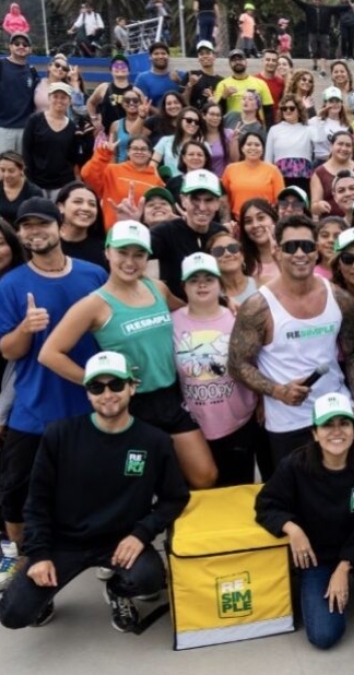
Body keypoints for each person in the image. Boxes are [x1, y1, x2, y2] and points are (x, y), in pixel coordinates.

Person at [0, 350, 189, 632]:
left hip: (119, 541)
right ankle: (44, 595)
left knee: (149, 578)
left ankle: (117, 591)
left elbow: (174, 497)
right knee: (13, 615)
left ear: (132, 387)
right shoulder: (59, 434)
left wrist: (140, 534)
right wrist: (38, 555)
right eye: (96, 387)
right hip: (63, 542)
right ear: (88, 393)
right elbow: (37, 501)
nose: (107, 394)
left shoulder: (155, 441)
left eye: (116, 384)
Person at [38, 220, 219, 490]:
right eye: (122, 252)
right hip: (130, 405)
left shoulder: (157, 288)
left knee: (205, 476)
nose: (130, 261)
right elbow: (50, 354)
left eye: (139, 254)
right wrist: (98, 383)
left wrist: (227, 306)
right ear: (107, 252)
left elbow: (190, 313)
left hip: (171, 397)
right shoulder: (94, 304)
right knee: (137, 485)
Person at [0, 198, 107, 590]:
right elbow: (8, 351)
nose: (35, 232)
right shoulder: (9, 285)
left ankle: (108, 563)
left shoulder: (94, 274)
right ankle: (24, 564)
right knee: (16, 495)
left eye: (42, 223)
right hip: (34, 409)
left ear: (59, 226)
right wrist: (26, 329)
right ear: (20, 234)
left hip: (91, 408)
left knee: (97, 489)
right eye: (26, 226)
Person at [255, 390, 354, 648]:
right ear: (315, 433)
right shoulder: (295, 465)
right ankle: (326, 584)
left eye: (344, 423)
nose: (337, 432)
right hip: (318, 558)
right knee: (324, 636)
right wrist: (292, 529)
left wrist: (344, 567)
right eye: (327, 425)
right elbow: (265, 505)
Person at [228, 215, 354, 479]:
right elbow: (237, 364)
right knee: (297, 495)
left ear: (317, 251)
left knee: (340, 490)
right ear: (277, 251)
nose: (300, 253)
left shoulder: (339, 298)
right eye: (291, 247)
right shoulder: (258, 306)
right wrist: (277, 391)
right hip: (288, 423)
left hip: (337, 413)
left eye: (307, 246)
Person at [172, 252, 262, 487]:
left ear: (220, 284)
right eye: (194, 280)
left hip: (238, 421)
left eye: (209, 279)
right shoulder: (171, 322)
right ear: (184, 286)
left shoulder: (238, 318)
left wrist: (262, 401)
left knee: (237, 491)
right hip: (193, 426)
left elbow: (256, 365)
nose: (201, 285)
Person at [149, 170, 229, 299]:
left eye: (209, 200)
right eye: (195, 199)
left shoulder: (221, 232)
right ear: (183, 200)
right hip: (176, 309)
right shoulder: (165, 232)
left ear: (218, 203)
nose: (202, 207)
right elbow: (132, 256)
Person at [81, 135, 166, 231]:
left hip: (143, 232)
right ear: (127, 152)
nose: (139, 152)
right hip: (113, 230)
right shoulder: (112, 170)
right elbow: (87, 174)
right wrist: (104, 152)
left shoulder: (156, 180)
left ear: (150, 153)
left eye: (143, 149)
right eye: (135, 148)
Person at [22, 83, 79, 201]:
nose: (59, 100)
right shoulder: (34, 120)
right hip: (36, 183)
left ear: (69, 101)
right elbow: (26, 150)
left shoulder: (73, 127)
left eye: (63, 97)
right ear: (49, 98)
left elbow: (74, 158)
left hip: (61, 185)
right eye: (55, 96)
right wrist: (29, 180)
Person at [222, 131, 286, 218]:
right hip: (236, 220)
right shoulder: (230, 169)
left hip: (265, 219)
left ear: (262, 149)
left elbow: (281, 201)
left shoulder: (273, 170)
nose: (253, 148)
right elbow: (224, 198)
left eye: (257, 145)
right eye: (249, 144)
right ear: (242, 148)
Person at [311, 132, 354, 218]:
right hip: (332, 222)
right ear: (331, 146)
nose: (344, 148)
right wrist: (319, 206)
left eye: (348, 145)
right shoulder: (319, 172)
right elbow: (314, 207)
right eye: (340, 144)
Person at [266, 94, 316, 190]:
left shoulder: (308, 129)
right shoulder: (274, 130)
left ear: (299, 110)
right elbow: (268, 158)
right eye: (284, 108)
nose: (288, 111)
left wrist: (311, 111)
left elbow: (320, 146)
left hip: (304, 178)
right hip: (280, 178)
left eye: (292, 108)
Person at [54, 182, 107, 271]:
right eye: (78, 202)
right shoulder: (48, 244)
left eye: (92, 204)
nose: (86, 208)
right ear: (61, 207)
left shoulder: (104, 251)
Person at [0, 31, 37, 155]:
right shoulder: (1, 65)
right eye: (17, 43)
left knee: (23, 164)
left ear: (30, 49)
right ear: (10, 47)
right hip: (3, 128)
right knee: (3, 165)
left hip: (25, 129)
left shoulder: (32, 71)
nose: (21, 46)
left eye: (25, 44)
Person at [238, 199, 280, 285]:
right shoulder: (240, 261)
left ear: (274, 220)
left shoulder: (289, 253)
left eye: (261, 218)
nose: (255, 225)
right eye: (248, 221)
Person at [134, 43, 186, 112]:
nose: (160, 56)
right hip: (154, 117)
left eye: (163, 53)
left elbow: (187, 100)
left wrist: (179, 82)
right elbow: (142, 103)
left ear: (168, 56)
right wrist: (162, 115)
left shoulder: (180, 75)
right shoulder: (142, 79)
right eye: (156, 54)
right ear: (150, 57)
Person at [309, 87, 352, 165]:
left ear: (341, 103)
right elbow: (317, 140)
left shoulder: (346, 125)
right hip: (320, 162)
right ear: (325, 103)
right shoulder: (314, 121)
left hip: (340, 162)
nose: (334, 104)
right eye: (331, 101)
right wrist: (319, 119)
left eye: (337, 101)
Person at [0, 151, 43, 225]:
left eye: (11, 171)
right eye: (2, 170)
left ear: (21, 170)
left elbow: (37, 219)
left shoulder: (33, 192)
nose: (6, 175)